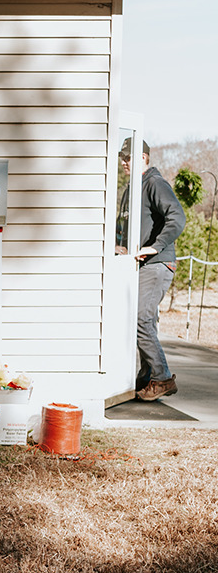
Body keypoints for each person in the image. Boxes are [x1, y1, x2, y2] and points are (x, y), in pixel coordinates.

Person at [118, 138, 186, 401]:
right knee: (142, 319)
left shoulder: (154, 183)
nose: (124, 162)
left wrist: (155, 246)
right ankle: (146, 377)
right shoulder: (131, 190)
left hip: (157, 263)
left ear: (144, 157)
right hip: (141, 264)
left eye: (129, 157)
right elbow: (124, 226)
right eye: (122, 157)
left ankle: (162, 377)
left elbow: (177, 217)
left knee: (141, 319)